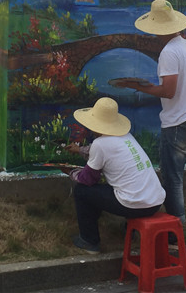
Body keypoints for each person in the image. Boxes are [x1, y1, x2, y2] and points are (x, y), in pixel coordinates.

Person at [118, 0, 186, 246]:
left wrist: (138, 86)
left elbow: (169, 91)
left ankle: (175, 234)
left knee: (173, 179)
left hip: (179, 123)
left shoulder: (168, 52)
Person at [66, 97, 165, 254]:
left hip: (134, 205)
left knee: (82, 191)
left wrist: (70, 172)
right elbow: (99, 151)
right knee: (108, 189)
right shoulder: (126, 137)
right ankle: (128, 230)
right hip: (155, 201)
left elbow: (88, 179)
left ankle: (89, 240)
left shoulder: (100, 144)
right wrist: (79, 150)